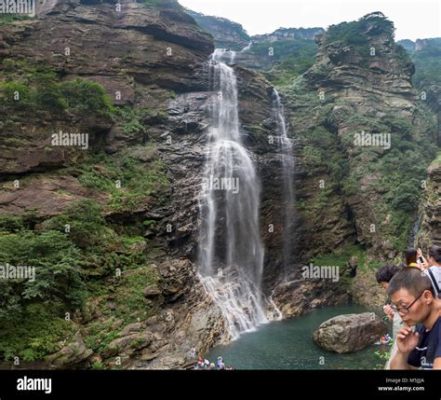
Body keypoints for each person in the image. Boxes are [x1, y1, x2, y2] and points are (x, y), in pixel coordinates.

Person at [388, 268, 441, 369]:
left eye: (404, 306)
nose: (401, 313)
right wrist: (402, 353)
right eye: (397, 308)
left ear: (427, 297)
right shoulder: (421, 327)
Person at [375, 264, 402, 369]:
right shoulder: (395, 297)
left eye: (383, 285)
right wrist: (392, 314)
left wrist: (394, 312)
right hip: (399, 343)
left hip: (404, 345)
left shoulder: (406, 297)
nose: (384, 289)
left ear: (392, 281)